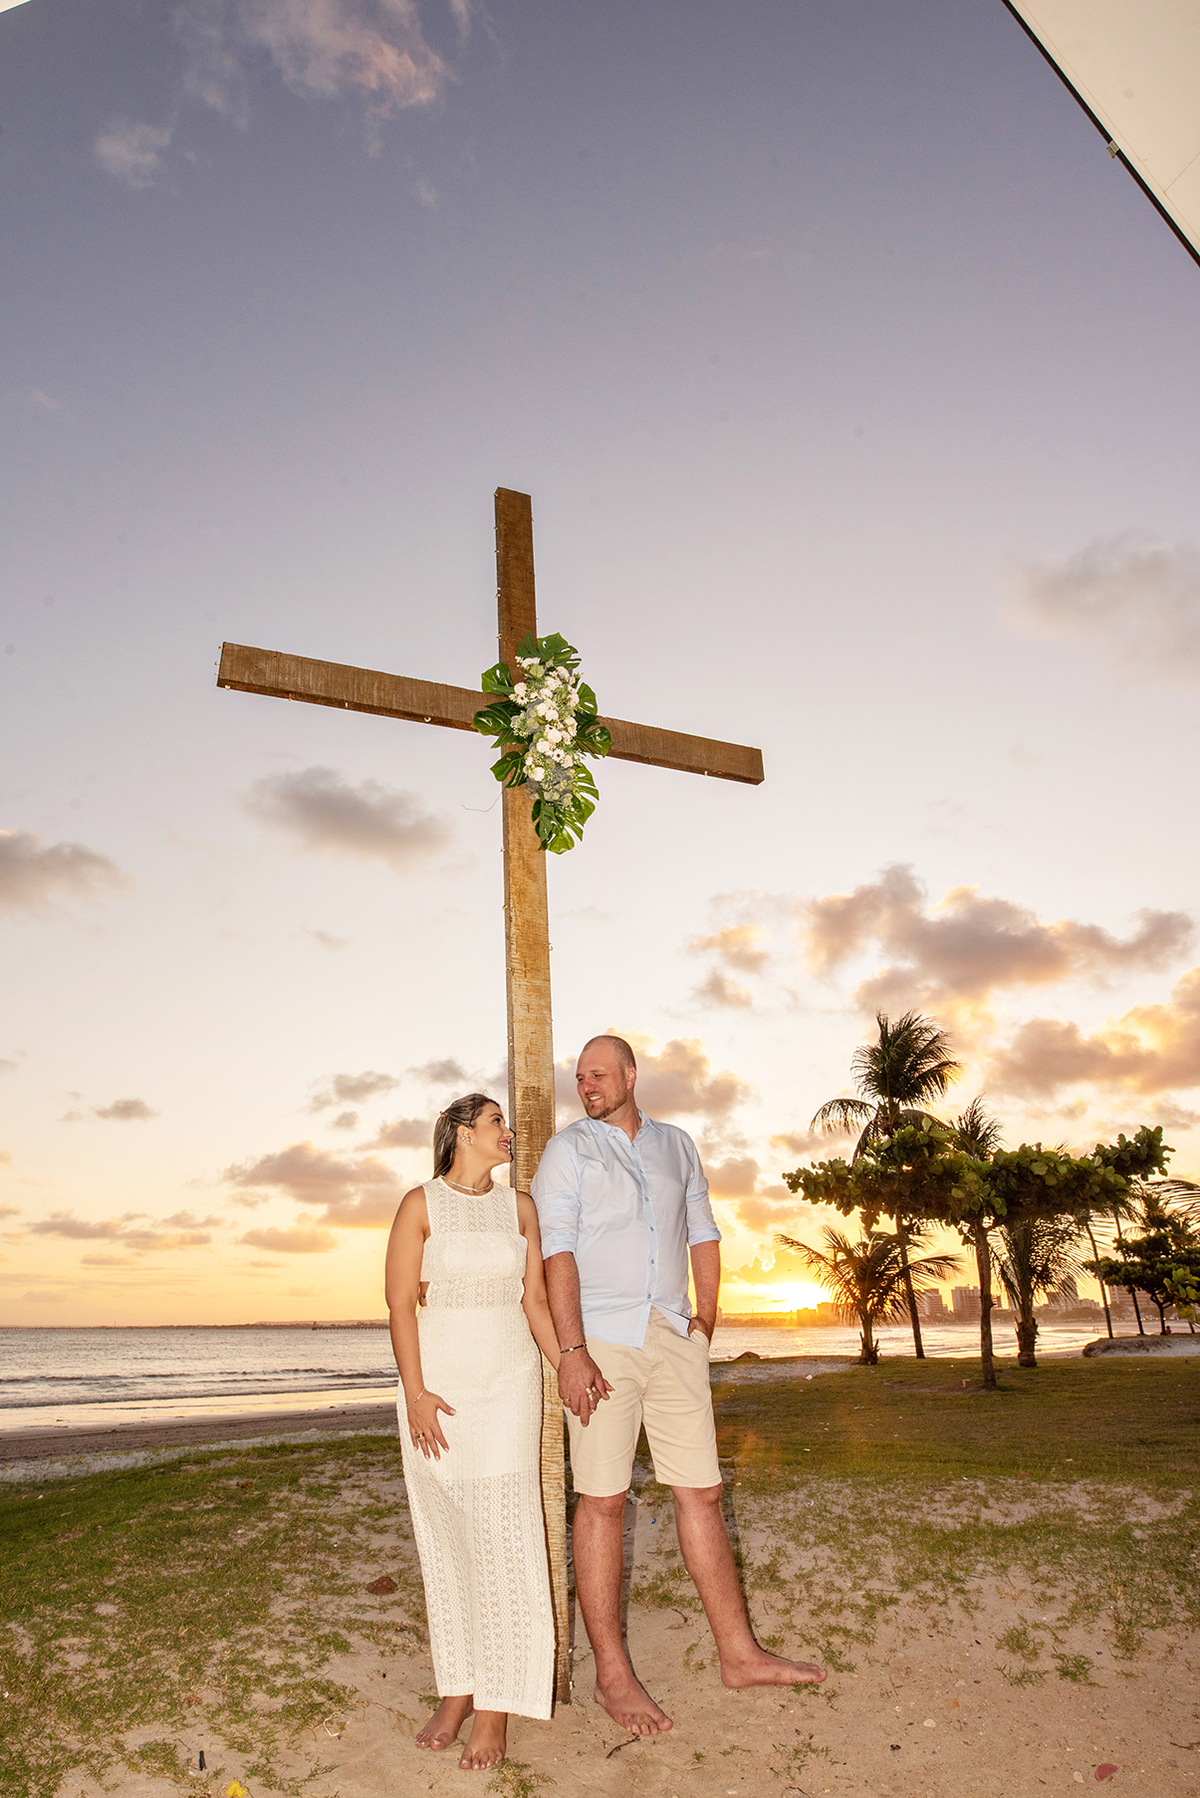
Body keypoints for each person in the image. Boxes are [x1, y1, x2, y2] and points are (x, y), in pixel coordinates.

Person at [532, 1035, 825, 1737]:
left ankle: (739, 1654)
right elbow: (556, 1251)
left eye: (599, 1074)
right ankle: (611, 1674)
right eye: (580, 1077)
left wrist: (706, 1321)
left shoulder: (677, 1146)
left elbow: (703, 1230)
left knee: (703, 1490)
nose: (587, 1085)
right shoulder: (568, 1152)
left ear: (631, 1075)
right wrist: (571, 1351)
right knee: (602, 1501)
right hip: (599, 1338)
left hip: (671, 1335)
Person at [384, 1093, 564, 1771]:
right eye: (495, 1123)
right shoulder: (419, 1205)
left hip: (508, 1388)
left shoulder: (519, 1208)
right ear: (461, 1133)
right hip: (439, 1394)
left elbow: (536, 1300)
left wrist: (567, 1368)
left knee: (504, 1540)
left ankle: (495, 1708)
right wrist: (417, 1393)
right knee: (448, 1538)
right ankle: (457, 1688)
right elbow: (400, 1302)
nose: (507, 1132)